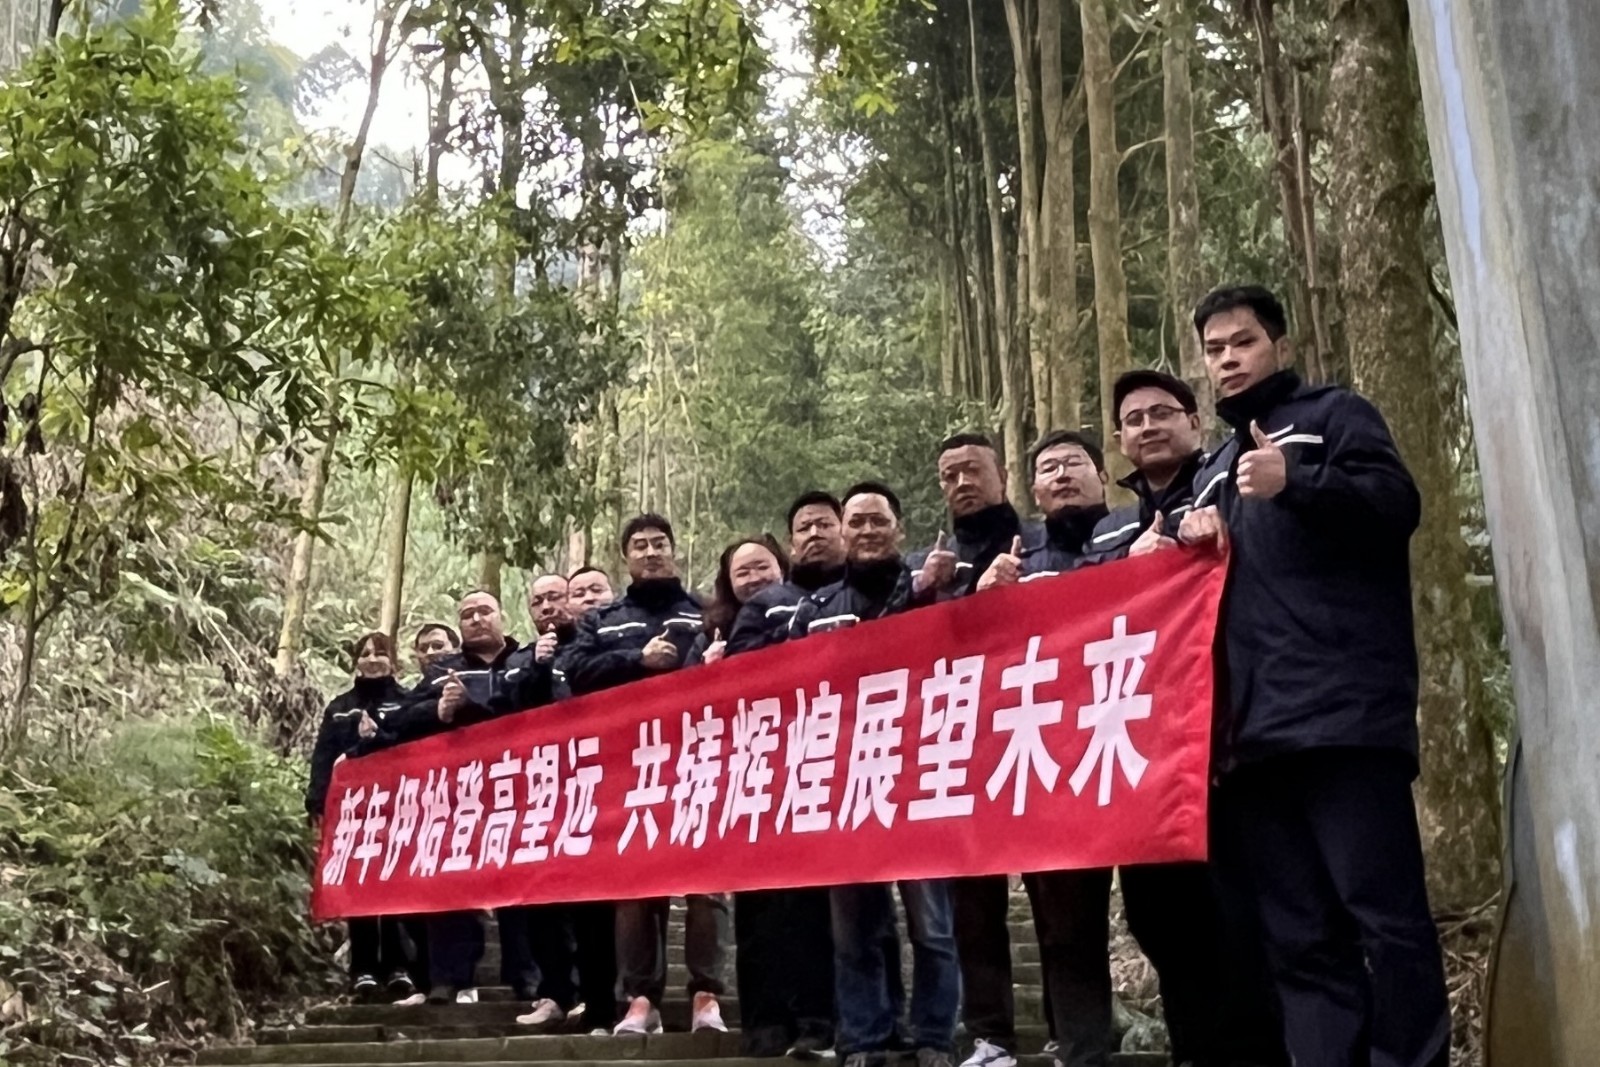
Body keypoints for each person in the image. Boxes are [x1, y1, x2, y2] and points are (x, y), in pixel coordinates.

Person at [1177, 285, 1449, 1067]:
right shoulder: (1211, 471)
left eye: (1244, 342)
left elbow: (1396, 505)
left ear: (1281, 346)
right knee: (1298, 939)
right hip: (1250, 741)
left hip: (1343, 720)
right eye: (1215, 349)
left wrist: (1296, 480)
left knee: (1386, 918)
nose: (1229, 359)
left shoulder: (1334, 416)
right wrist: (1187, 541)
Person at [790, 483, 960, 1067]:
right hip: (846, 782)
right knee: (853, 927)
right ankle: (865, 1036)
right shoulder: (814, 608)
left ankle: (935, 1036)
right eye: (856, 521)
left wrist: (928, 592)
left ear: (899, 529)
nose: (866, 531)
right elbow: (790, 682)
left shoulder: (936, 585)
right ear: (842, 532)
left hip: (922, 774)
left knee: (932, 926)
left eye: (878, 520)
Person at [562, 514, 730, 1035]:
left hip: (700, 759)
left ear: (674, 550)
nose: (651, 552)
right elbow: (575, 670)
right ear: (626, 558)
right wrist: (637, 658)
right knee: (634, 885)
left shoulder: (707, 611)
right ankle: (640, 999)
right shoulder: (603, 619)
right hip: (628, 767)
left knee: (706, 883)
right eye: (640, 545)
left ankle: (706, 995)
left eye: (660, 543)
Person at [390, 592, 555, 1007]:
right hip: (458, 794)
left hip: (522, 786)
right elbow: (402, 719)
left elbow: (545, 705)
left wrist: (474, 706)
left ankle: (528, 976)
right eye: (467, 615)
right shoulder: (442, 670)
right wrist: (440, 711)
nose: (477, 619)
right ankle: (448, 977)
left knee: (522, 881)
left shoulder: (527, 659)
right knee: (451, 882)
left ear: (502, 616)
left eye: (484, 611)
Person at [306, 631, 415, 1001]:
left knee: (397, 885)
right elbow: (323, 758)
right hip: (352, 811)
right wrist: (316, 803)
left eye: (380, 653)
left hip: (399, 807)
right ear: (356, 661)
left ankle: (400, 966)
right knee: (359, 886)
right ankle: (364, 968)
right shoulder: (340, 707)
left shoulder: (407, 701)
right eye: (365, 653)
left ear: (393, 661)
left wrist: (376, 737)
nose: (372, 659)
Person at [1081, 370, 1208, 563]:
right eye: (1134, 420)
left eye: (1161, 414)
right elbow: (1085, 577)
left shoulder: (1227, 489)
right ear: (1120, 441)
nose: (1148, 428)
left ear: (1194, 424)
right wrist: (1128, 558)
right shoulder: (1108, 532)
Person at [907, 433, 1040, 601]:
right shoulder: (919, 568)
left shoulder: (1048, 545)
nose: (962, 483)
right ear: (943, 490)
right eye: (951, 476)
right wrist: (923, 589)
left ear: (1002, 477)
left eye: (973, 471)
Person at [727, 491, 848, 656]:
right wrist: (788, 631)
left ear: (845, 533)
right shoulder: (763, 604)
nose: (814, 534)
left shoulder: (865, 590)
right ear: (791, 544)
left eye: (824, 525)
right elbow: (737, 659)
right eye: (804, 528)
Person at [688, 534, 788, 666]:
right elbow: (686, 678)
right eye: (743, 574)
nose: (755, 579)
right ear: (729, 583)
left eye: (763, 567)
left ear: (782, 571)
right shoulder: (711, 636)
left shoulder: (805, 610)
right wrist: (707, 667)